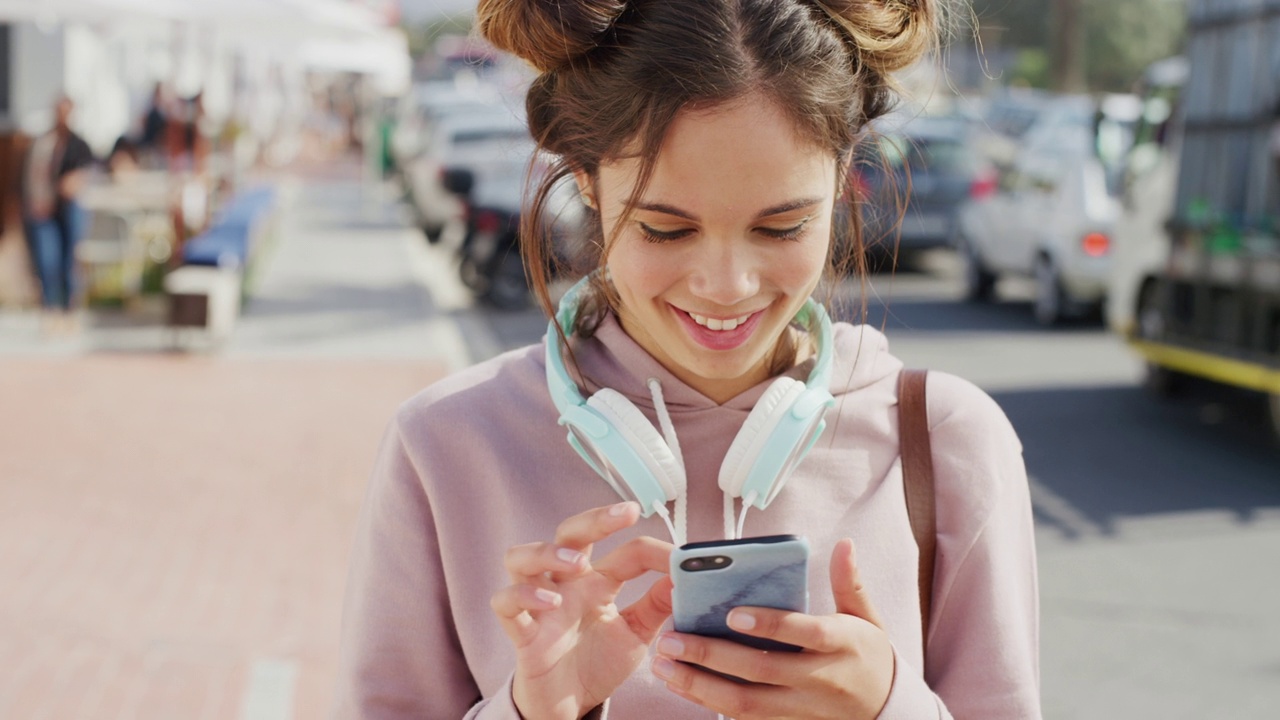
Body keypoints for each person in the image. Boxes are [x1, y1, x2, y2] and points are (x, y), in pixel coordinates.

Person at [334, 1, 1041, 718]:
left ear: (842, 178)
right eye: (666, 230)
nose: (726, 286)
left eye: (783, 225)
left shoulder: (946, 441)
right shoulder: (446, 447)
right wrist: (534, 710)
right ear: (585, 178)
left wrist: (891, 708)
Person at [21, 96, 95, 332]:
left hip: (69, 209)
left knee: (68, 260)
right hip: (43, 211)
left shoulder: (78, 144)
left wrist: (74, 182)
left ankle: (69, 309)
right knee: (47, 260)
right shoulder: (42, 143)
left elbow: (87, 173)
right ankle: (50, 308)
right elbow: (30, 176)